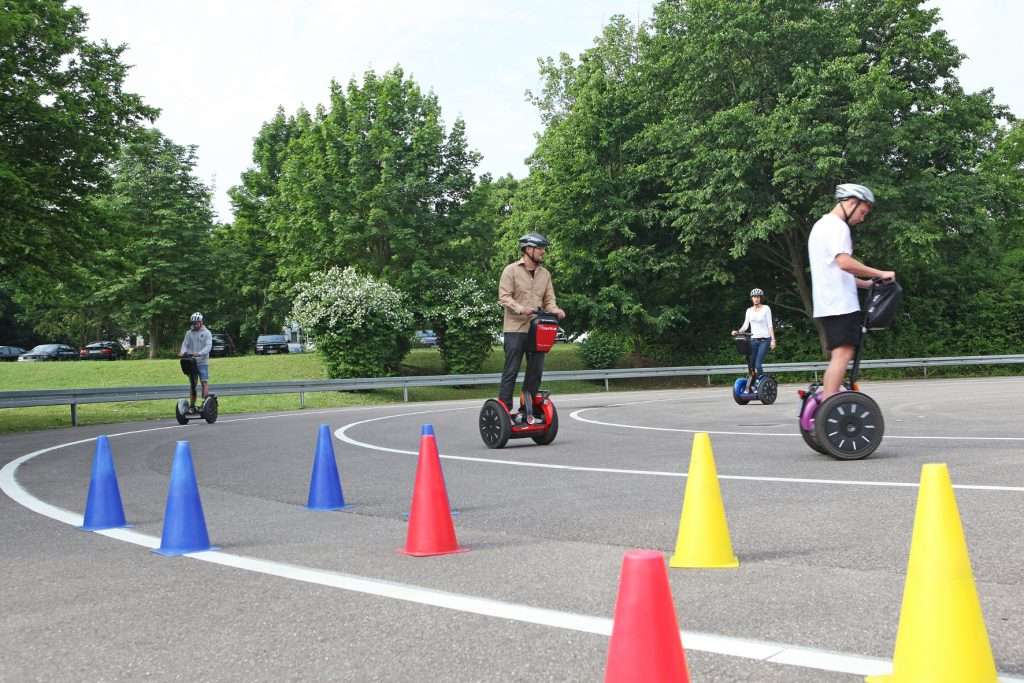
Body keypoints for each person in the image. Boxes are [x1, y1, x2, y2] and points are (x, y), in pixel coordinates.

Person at [808, 183, 895, 400]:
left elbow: (834, 271)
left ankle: (828, 402)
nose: (862, 218)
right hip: (840, 304)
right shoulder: (838, 227)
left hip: (827, 303)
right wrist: (881, 273)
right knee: (843, 354)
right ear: (851, 203)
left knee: (838, 355)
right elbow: (844, 263)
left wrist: (867, 283)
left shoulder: (820, 226)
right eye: (862, 212)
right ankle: (829, 404)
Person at [497, 232, 566, 421]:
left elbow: (549, 301)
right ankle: (504, 410)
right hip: (515, 328)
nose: (543, 252)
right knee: (511, 370)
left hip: (537, 329)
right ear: (528, 249)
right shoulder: (511, 270)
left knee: (535, 372)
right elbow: (504, 297)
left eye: (543, 248)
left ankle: (526, 410)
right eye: (540, 248)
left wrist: (556, 310)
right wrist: (520, 309)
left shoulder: (545, 274)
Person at [731, 288, 776, 391]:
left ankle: (761, 382)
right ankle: (752, 383)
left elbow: (770, 325)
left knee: (758, 364)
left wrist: (773, 340)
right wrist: (737, 332)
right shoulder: (749, 311)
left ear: (761, 298)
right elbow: (746, 325)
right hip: (753, 340)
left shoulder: (766, 308)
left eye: (758, 297)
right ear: (751, 298)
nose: (756, 299)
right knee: (751, 364)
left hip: (765, 340)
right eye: (754, 297)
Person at [180, 312, 213, 410]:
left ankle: (205, 404)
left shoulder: (207, 333)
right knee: (193, 384)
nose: (195, 324)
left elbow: (208, 347)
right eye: (193, 323)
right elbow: (185, 344)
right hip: (191, 362)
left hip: (202, 362)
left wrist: (199, 353)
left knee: (204, 382)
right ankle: (192, 405)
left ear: (201, 322)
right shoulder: (189, 333)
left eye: (196, 322)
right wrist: (183, 352)